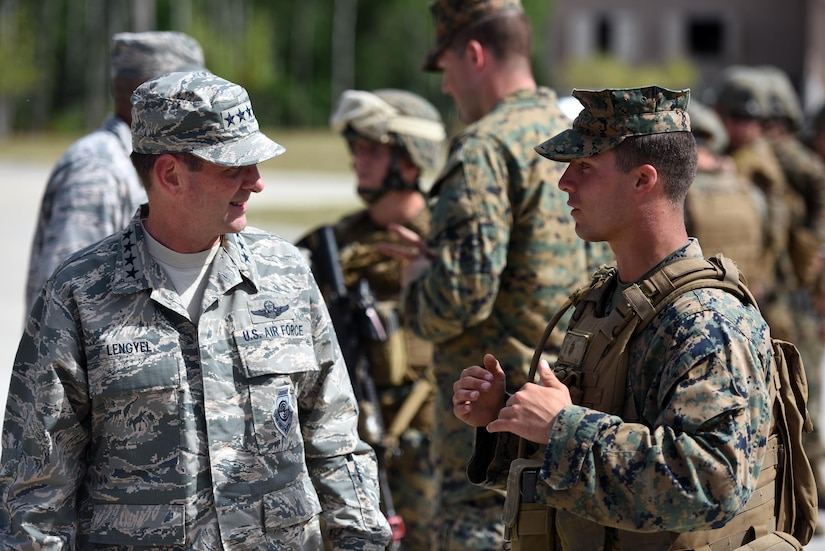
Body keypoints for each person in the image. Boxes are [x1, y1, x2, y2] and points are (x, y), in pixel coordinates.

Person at [0, 70, 392, 550]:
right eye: (235, 167)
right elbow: (36, 489)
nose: (256, 182)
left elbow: (336, 444)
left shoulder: (285, 275)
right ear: (170, 174)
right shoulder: (79, 293)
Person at [452, 86, 777, 549]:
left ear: (643, 180)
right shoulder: (607, 298)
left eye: (584, 167)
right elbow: (594, 469)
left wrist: (563, 428)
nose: (565, 182)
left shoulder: (707, 322)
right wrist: (506, 420)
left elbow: (713, 484)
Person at [380, 0, 603, 548]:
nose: (447, 88)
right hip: (577, 424)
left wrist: (418, 281)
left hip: (490, 444)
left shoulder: (485, 146)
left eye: (446, 70)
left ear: (474, 54)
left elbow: (457, 300)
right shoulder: (578, 138)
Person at [299, 88, 447, 550]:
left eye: (373, 150)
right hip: (351, 453)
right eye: (356, 149)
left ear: (410, 159)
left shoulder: (451, 243)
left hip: (433, 457)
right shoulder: (334, 247)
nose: (358, 161)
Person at [25, 31, 205, 314]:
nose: (200, 104)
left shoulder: (134, 159)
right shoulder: (97, 170)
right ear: (147, 94)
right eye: (189, 92)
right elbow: (64, 303)